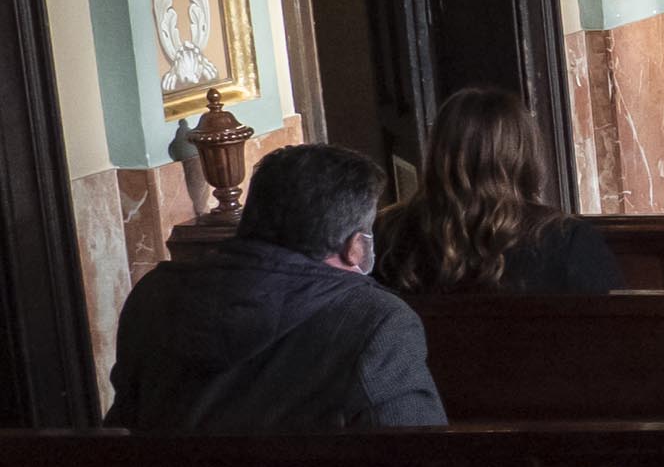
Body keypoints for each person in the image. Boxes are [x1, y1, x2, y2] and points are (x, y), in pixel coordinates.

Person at [106, 140, 443, 430]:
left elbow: (125, 423)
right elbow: (418, 455)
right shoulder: (377, 321)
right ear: (355, 247)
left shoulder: (154, 296)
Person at [379, 87, 621, 297]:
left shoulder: (387, 233)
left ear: (437, 152)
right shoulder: (567, 240)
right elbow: (614, 323)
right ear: (526, 154)